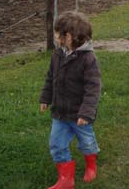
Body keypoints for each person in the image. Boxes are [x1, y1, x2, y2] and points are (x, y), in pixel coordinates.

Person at [39, 11, 101, 188]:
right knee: (56, 145)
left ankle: (91, 164)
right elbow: (51, 77)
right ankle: (66, 179)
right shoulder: (58, 54)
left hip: (80, 114)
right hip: (60, 112)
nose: (56, 37)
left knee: (87, 143)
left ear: (69, 36)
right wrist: (45, 97)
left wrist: (86, 113)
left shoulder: (88, 59)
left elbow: (93, 89)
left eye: (58, 34)